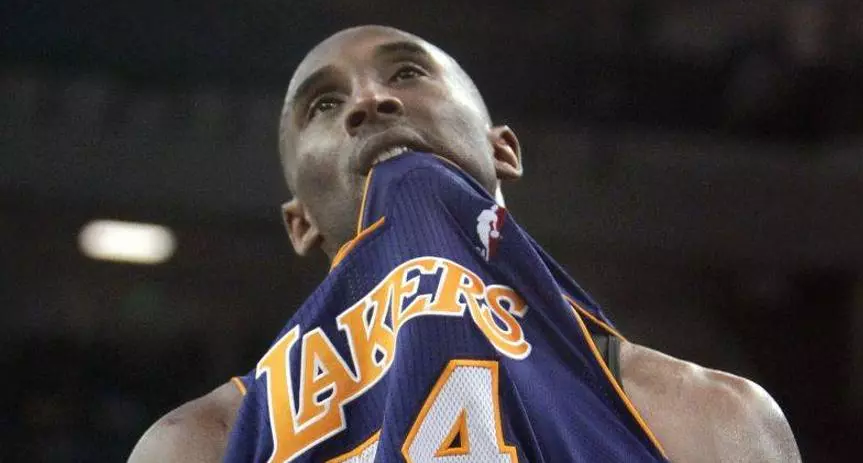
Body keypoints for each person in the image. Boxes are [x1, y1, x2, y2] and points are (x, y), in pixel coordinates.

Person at [128, 25, 801, 462]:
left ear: (502, 149)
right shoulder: (199, 444)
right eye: (324, 105)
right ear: (300, 221)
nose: (369, 101)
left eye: (406, 73)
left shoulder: (710, 416)